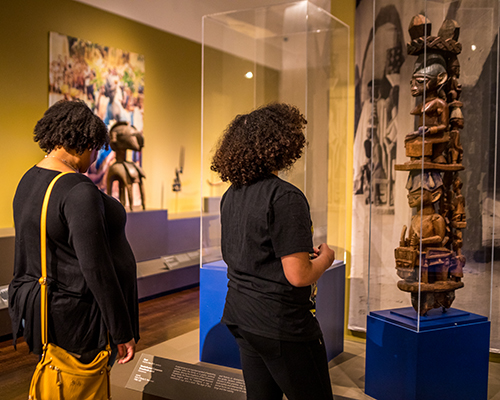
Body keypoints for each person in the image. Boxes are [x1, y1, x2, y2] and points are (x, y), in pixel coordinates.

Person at [211, 103, 336, 400]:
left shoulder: (232, 194)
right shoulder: (285, 197)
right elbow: (298, 275)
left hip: (241, 317)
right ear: (283, 145)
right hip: (281, 324)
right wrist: (326, 259)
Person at [8, 99, 139, 367]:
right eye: (94, 151)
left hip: (41, 308)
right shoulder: (78, 189)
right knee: (80, 385)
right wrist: (121, 329)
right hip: (78, 318)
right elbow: (96, 267)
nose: (92, 160)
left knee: (57, 381)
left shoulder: (28, 179)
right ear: (86, 143)